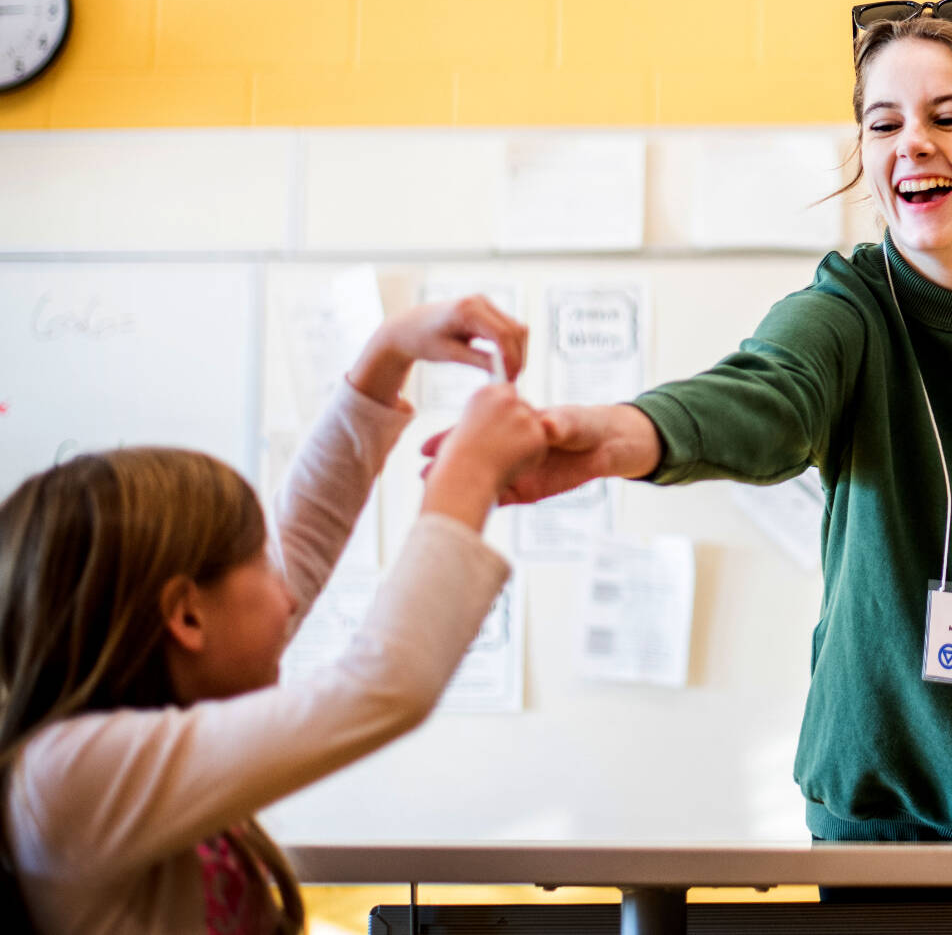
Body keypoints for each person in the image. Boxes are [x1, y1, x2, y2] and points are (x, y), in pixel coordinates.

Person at [441, 0, 952, 845]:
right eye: (882, 125)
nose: (911, 143)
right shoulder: (846, 306)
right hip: (878, 793)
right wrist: (606, 439)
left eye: (949, 116)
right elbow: (765, 395)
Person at [0, 296, 547, 934]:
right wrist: (469, 474)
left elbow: (306, 533)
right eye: (260, 567)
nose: (288, 596)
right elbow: (384, 688)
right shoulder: (68, 775)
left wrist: (387, 353)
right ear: (186, 617)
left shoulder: (132, 740)